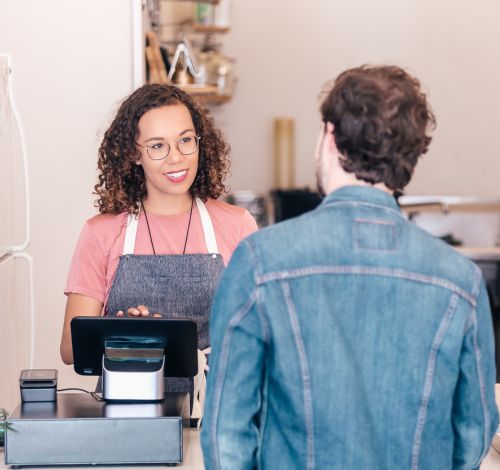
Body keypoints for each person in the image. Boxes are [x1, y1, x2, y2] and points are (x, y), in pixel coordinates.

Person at [201, 65, 498, 469]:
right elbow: (473, 434)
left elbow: (226, 435)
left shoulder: (259, 262)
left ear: (329, 135)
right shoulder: (460, 281)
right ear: (410, 155)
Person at [60, 84, 258, 418]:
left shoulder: (236, 225)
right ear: (133, 154)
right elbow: (69, 349)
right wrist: (122, 332)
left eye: (185, 140)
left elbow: (260, 333)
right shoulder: (102, 232)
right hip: (123, 415)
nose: (176, 157)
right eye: (157, 146)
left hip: (216, 411)